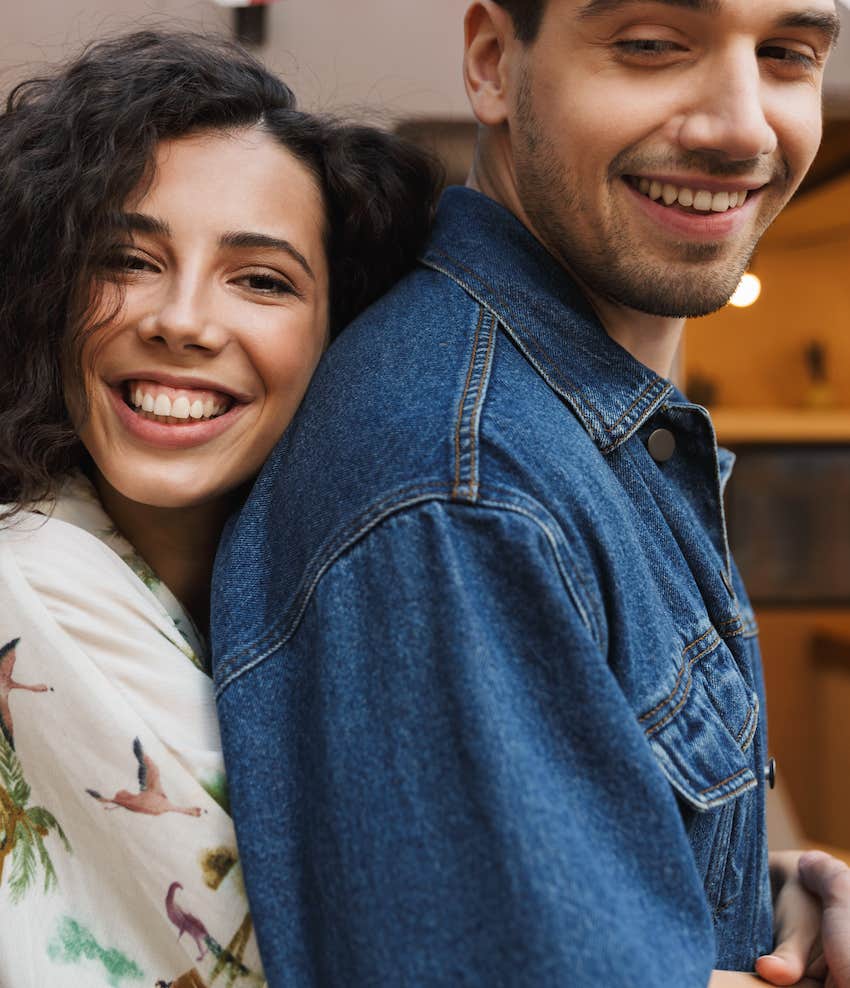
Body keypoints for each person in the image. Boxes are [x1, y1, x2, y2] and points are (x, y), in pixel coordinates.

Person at [212, 1, 850, 985]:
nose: (740, 125)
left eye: (786, 55)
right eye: (650, 45)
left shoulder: (577, 426)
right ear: (489, 61)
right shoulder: (464, 487)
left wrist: (765, 902)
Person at [0, 30, 438, 988]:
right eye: (127, 258)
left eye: (261, 280)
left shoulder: (340, 590)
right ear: (48, 289)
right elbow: (404, 941)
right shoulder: (30, 575)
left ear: (341, 337)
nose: (184, 319)